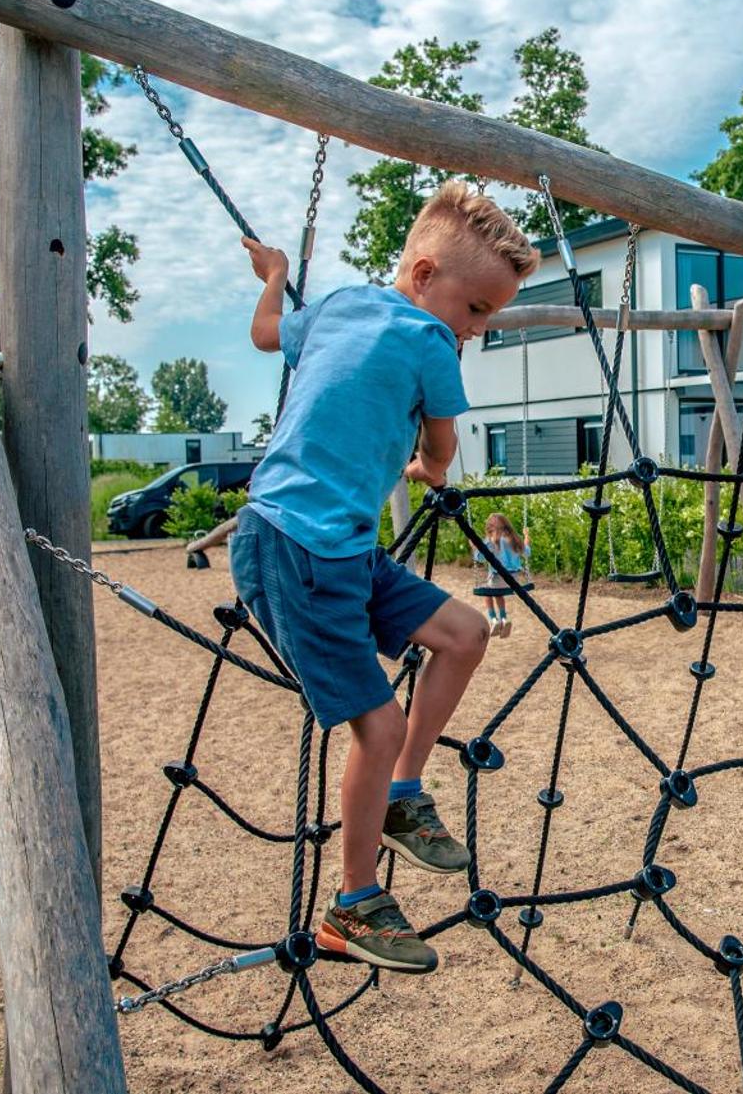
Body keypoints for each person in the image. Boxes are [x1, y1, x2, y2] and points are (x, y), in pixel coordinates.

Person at [232, 180, 537, 975]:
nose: (476, 328)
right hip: (296, 547)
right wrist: (429, 468)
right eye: (476, 309)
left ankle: (403, 795)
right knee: (379, 724)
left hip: (334, 546)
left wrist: (274, 274)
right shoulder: (432, 342)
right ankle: (354, 902)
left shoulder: (335, 306)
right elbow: (442, 447)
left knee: (464, 633)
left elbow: (266, 333)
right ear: (425, 274)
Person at [479, 512, 530, 637]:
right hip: (513, 580)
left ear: (490, 527)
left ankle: (493, 619)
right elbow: (527, 553)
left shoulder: (491, 541)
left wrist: (474, 546)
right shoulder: (515, 539)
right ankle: (503, 618)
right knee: (498, 593)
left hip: (497, 579)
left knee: (487, 592)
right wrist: (526, 536)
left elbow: (479, 558)